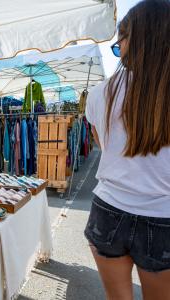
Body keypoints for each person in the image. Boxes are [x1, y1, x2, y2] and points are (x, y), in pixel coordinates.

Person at [84, 1, 170, 299]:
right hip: (163, 215)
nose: (118, 48)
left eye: (120, 40)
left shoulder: (99, 94)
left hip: (108, 208)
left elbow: (104, 145)